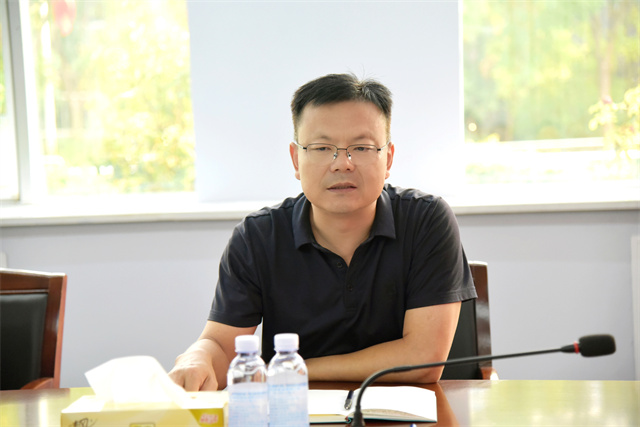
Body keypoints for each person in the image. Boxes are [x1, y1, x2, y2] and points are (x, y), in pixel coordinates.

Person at [168, 73, 476, 391]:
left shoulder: (426, 220)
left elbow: (424, 359)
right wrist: (196, 358)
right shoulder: (258, 238)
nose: (342, 164)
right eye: (322, 147)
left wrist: (295, 370)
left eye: (361, 147)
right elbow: (221, 347)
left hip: (406, 411)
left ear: (388, 158)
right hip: (294, 410)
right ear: (296, 159)